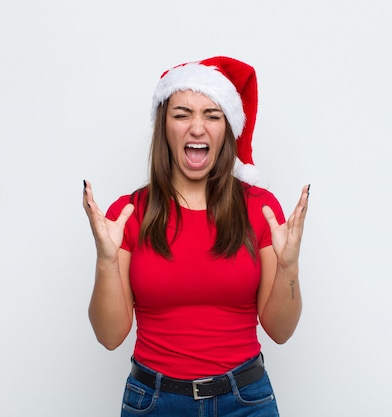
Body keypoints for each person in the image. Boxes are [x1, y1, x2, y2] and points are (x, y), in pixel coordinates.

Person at [83, 56, 308, 416]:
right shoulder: (128, 214)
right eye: (182, 113)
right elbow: (109, 337)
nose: (197, 127)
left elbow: (280, 331)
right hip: (154, 402)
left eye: (212, 115)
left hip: (245, 401)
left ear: (227, 129)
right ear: (164, 127)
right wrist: (106, 261)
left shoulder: (260, 208)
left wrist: (289, 268)